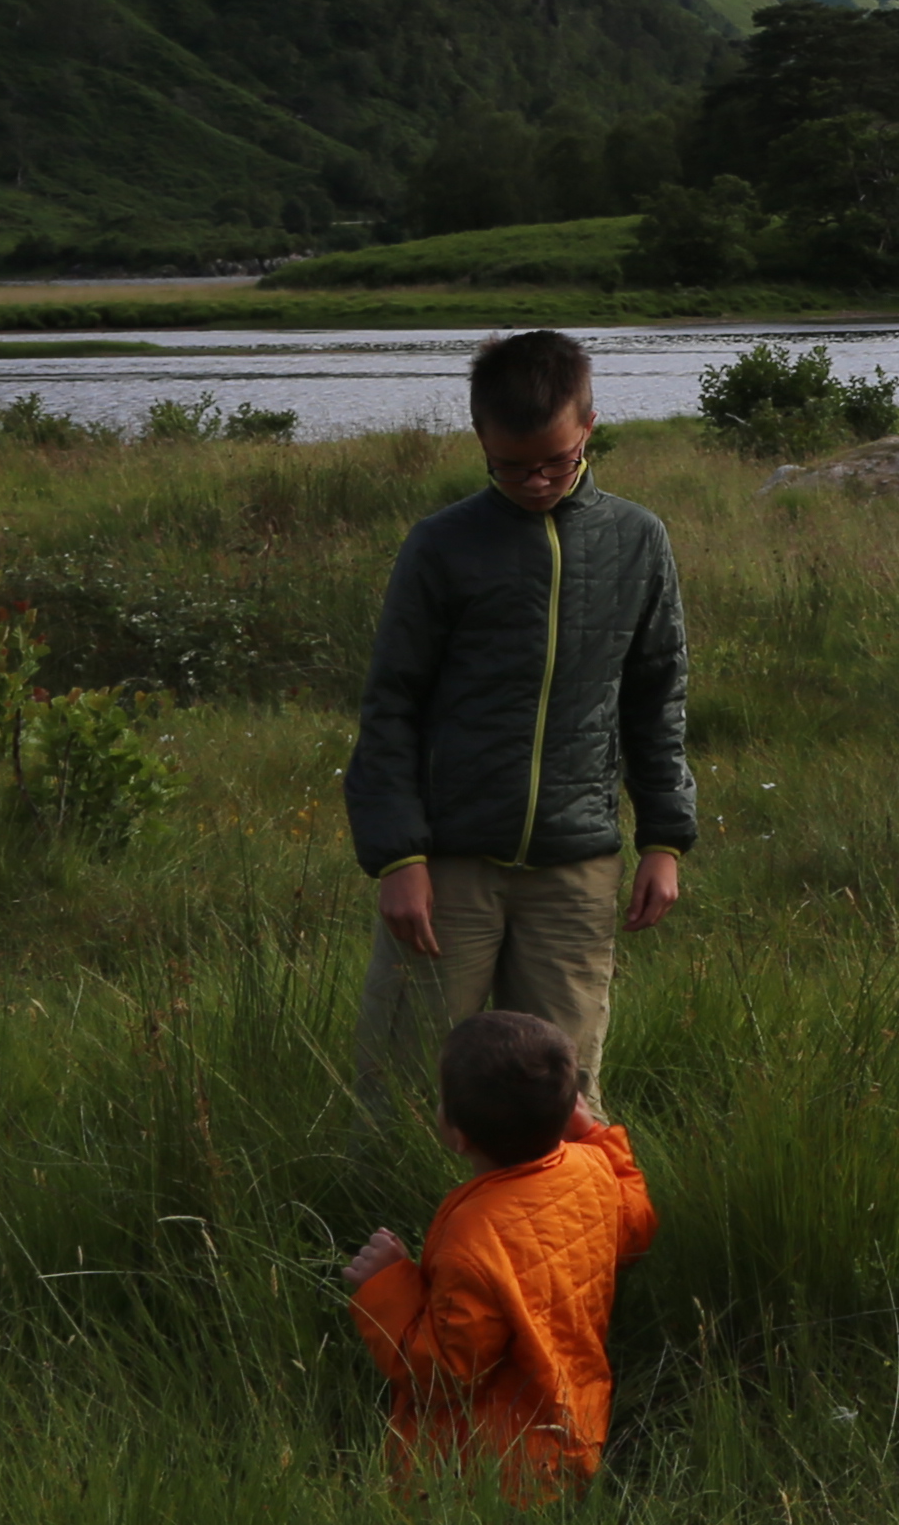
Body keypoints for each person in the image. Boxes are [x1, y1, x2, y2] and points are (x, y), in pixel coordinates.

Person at [344, 328, 693, 1114]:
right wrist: (399, 857)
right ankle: (401, 1234)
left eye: (557, 461)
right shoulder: (441, 545)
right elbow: (390, 704)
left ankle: (575, 1239)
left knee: (564, 1093)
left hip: (576, 867)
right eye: (511, 464)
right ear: (479, 439)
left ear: (590, 430)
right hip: (448, 865)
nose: (536, 480)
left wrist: (665, 840)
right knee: (411, 1082)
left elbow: (656, 696)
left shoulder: (637, 540)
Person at [348, 1007, 659, 1495]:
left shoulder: (474, 1237)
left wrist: (387, 1283)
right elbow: (636, 1224)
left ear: (457, 1134)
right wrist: (596, 1135)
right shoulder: (593, 1167)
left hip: (490, 1469)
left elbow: (444, 1374)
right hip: (575, 1426)